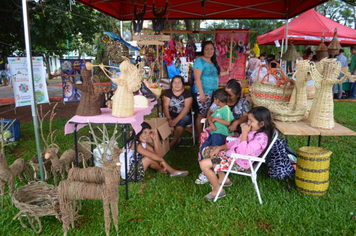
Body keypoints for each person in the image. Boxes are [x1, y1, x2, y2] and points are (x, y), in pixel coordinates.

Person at [199, 106, 274, 200]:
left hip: (239, 162)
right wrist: (219, 148)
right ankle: (223, 179)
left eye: (251, 121)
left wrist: (245, 133)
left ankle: (218, 190)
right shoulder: (252, 131)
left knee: (204, 164)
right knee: (207, 151)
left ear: (262, 123)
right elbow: (236, 142)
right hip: (232, 155)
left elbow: (243, 152)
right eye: (248, 120)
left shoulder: (261, 138)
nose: (248, 123)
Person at [195, 79, 249, 184]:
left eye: (230, 95)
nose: (227, 97)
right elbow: (210, 112)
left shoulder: (242, 102)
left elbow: (246, 117)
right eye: (226, 93)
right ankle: (205, 166)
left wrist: (236, 122)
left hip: (233, 132)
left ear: (237, 95)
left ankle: (214, 168)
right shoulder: (221, 99)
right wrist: (210, 122)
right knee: (204, 138)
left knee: (215, 146)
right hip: (216, 129)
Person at [119, 122, 189, 182]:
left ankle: (164, 171)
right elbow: (151, 155)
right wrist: (162, 161)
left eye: (149, 133)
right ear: (138, 132)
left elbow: (156, 153)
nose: (147, 136)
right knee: (149, 158)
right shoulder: (134, 144)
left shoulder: (142, 143)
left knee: (154, 157)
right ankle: (170, 171)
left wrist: (154, 139)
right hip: (129, 175)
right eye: (144, 132)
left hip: (133, 168)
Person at [193, 41, 220, 140]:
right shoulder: (199, 61)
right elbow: (197, 78)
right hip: (204, 93)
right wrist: (201, 94)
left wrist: (227, 72)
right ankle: (199, 136)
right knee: (202, 115)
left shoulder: (213, 62)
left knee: (211, 114)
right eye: (207, 49)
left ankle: (207, 134)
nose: (209, 51)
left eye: (211, 49)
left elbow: (215, 75)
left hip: (213, 93)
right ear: (203, 50)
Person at [199, 89, 234, 158]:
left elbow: (228, 122)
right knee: (204, 147)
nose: (214, 101)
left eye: (214, 99)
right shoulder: (218, 109)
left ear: (217, 100)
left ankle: (213, 165)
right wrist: (212, 124)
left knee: (214, 150)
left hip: (220, 134)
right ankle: (204, 163)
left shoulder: (226, 109)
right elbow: (210, 117)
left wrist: (216, 119)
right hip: (214, 132)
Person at [163, 75, 193, 148]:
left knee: (181, 122)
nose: (177, 85)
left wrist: (176, 120)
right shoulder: (168, 93)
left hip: (184, 116)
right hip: (171, 115)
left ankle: (172, 143)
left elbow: (186, 108)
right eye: (174, 82)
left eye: (179, 82)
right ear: (172, 84)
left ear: (182, 84)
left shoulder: (187, 94)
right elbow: (165, 106)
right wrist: (169, 119)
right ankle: (178, 139)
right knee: (168, 126)